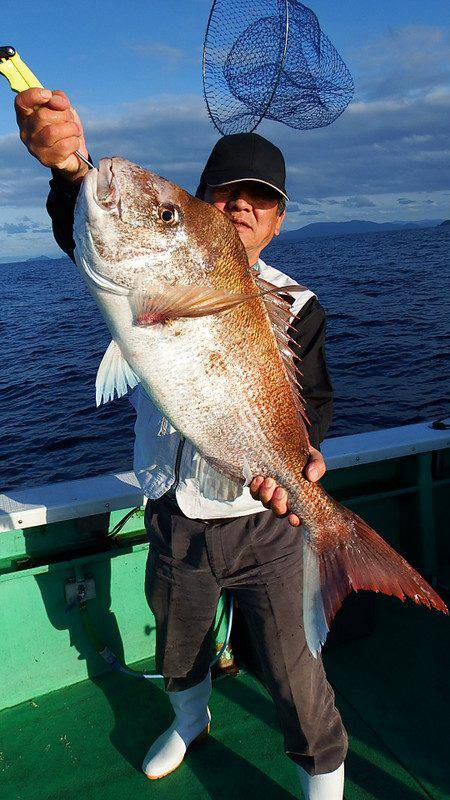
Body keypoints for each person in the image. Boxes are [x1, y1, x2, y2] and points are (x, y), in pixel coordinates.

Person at [15, 87, 348, 799]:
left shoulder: (297, 305)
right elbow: (90, 225)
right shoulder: (148, 268)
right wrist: (70, 169)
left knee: (294, 673)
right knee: (178, 643)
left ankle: (323, 782)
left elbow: (310, 403)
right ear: (197, 207)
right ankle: (190, 721)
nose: (240, 205)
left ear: (279, 223)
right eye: (225, 191)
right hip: (171, 507)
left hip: (265, 525)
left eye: (260, 199)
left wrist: (304, 458)